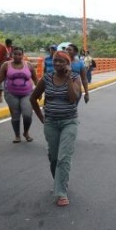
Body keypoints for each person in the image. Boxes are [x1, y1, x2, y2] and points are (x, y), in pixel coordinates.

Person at [30, 51, 82, 207]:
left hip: (69, 122)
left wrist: (67, 79)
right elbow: (33, 98)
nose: (57, 64)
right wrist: (42, 119)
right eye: (55, 61)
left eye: (61, 61)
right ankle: (59, 181)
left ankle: (61, 192)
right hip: (51, 122)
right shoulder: (46, 78)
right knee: (53, 158)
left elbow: (73, 98)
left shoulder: (74, 78)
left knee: (63, 157)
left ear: (68, 63)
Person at [0, 47, 39, 143]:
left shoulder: (29, 65)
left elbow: (35, 79)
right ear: (12, 55)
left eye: (19, 54)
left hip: (27, 94)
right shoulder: (6, 65)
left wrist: (39, 93)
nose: (17, 56)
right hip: (11, 94)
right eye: (15, 54)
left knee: (27, 115)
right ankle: (17, 135)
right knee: (15, 115)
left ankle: (26, 132)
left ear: (22, 55)